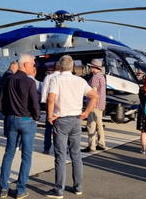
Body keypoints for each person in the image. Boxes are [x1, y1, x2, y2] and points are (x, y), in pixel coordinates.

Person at [45, 55, 98, 198]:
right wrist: (86, 112)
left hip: (61, 120)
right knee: (76, 155)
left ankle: (59, 190)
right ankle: (78, 187)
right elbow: (94, 96)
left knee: (60, 156)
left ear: (60, 66)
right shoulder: (80, 81)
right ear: (72, 66)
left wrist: (50, 116)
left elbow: (51, 98)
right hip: (76, 120)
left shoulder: (56, 79)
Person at [0, 54, 40, 199]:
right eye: (32, 64)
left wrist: (7, 114)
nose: (34, 67)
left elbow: (2, 101)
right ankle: (20, 190)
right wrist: (36, 117)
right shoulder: (30, 82)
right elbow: (35, 103)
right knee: (26, 156)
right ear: (25, 65)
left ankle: (3, 188)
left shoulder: (9, 79)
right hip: (26, 120)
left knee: (9, 154)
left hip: (11, 119)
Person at [81, 59, 106, 152]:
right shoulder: (102, 77)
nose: (90, 68)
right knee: (99, 124)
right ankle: (101, 143)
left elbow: (94, 92)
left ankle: (91, 146)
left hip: (94, 104)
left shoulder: (95, 77)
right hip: (101, 104)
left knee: (91, 125)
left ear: (94, 67)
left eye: (91, 66)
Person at [41, 61, 61, 154]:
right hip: (61, 106)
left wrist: (44, 102)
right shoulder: (63, 78)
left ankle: (46, 148)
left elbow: (44, 92)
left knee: (48, 128)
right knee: (61, 129)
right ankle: (63, 148)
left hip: (50, 105)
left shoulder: (48, 77)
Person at [0, 61, 19, 137]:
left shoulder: (5, 74)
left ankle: (6, 132)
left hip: (4, 99)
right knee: (8, 117)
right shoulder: (9, 76)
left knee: (6, 117)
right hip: (7, 100)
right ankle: (7, 133)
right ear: (13, 67)